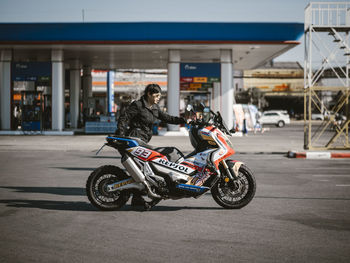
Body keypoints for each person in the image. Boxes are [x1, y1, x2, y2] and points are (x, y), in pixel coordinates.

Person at [115, 83, 186, 206]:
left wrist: (183, 120)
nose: (158, 98)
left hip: (143, 141)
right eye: (156, 95)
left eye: (159, 95)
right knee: (142, 170)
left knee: (145, 169)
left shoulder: (155, 108)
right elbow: (124, 118)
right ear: (149, 94)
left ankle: (138, 198)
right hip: (134, 139)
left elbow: (167, 118)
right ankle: (138, 198)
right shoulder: (137, 105)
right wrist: (121, 134)